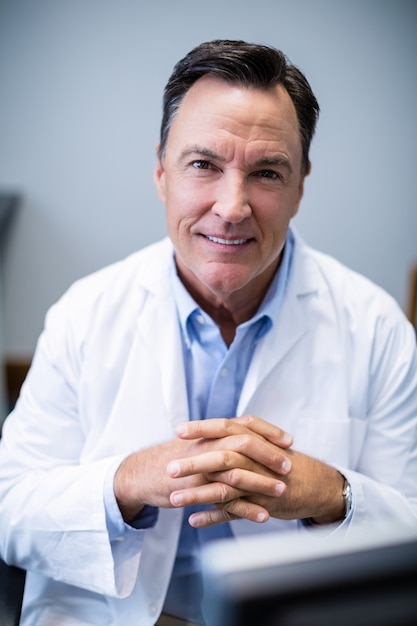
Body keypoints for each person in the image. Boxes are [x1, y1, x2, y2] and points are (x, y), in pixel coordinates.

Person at [0, 39, 416, 626]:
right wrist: (127, 481)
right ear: (160, 170)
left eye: (267, 171)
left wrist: (333, 496)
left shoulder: (377, 329)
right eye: (203, 165)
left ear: (301, 186)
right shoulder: (84, 314)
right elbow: (8, 512)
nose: (232, 206)